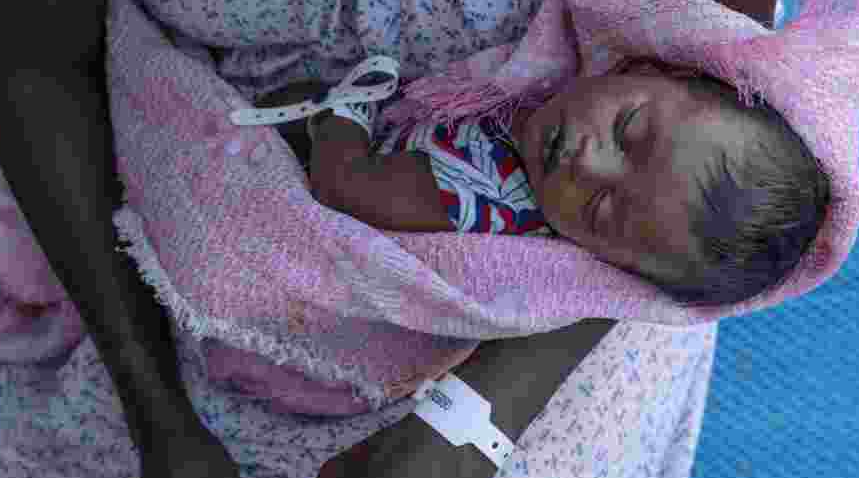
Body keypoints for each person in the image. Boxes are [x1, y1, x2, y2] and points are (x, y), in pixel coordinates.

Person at [0, 0, 778, 478]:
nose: (596, 157)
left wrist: (467, 432)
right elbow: (35, 52)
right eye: (619, 132)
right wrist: (161, 422)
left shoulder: (627, 181)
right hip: (210, 207)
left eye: (631, 136)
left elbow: (725, 142)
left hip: (561, 284)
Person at [294, 54, 827, 310]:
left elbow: (344, 187)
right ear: (662, 70)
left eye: (598, 208)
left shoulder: (486, 191)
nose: (585, 162)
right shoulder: (574, 61)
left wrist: (349, 107)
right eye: (627, 128)